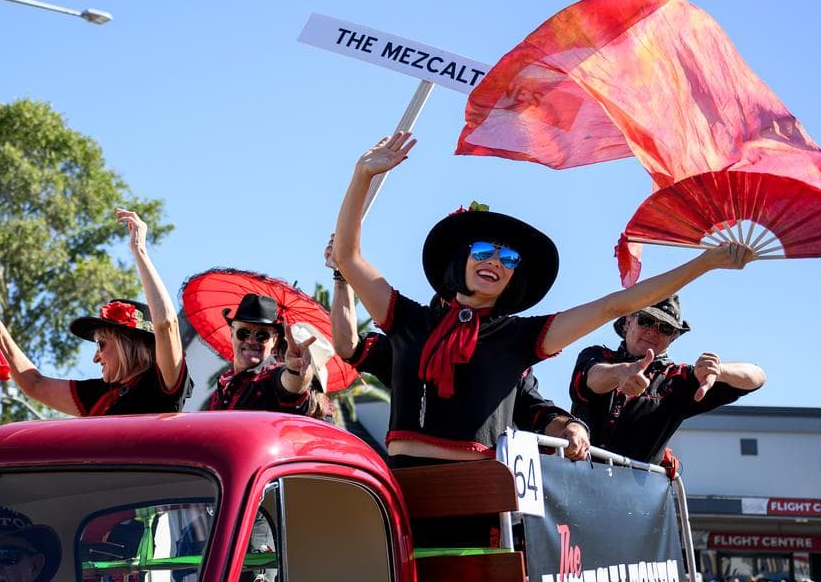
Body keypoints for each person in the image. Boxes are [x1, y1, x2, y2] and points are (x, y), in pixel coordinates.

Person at [330, 132, 754, 463]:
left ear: (514, 276)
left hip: (479, 493)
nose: (494, 261)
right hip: (403, 487)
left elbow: (615, 306)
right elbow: (348, 257)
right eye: (482, 250)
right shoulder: (408, 320)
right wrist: (362, 174)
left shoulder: (519, 337)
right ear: (460, 259)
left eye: (508, 257)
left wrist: (707, 262)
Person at [327, 235, 592, 459]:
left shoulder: (506, 351)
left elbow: (537, 411)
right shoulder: (413, 340)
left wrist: (570, 427)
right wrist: (343, 276)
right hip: (409, 475)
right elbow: (349, 346)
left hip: (479, 483)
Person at [0, 209, 192, 416]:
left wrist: (139, 250)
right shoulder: (100, 394)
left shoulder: (161, 381)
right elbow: (34, 385)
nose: (95, 358)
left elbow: (166, 325)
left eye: (101, 344)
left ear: (127, 344)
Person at [569, 294, 766, 464]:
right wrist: (620, 372)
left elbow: (757, 377)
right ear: (628, 321)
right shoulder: (596, 356)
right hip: (572, 485)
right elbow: (591, 380)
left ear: (673, 338)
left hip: (633, 500)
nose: (653, 331)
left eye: (665, 328)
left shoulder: (678, 380)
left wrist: (720, 370)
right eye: (646, 320)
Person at [206, 294, 317, 414]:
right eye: (244, 333)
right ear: (232, 333)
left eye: (262, 336)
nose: (251, 341)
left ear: (274, 340)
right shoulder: (224, 385)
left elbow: (291, 385)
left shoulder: (271, 377)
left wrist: (296, 369)